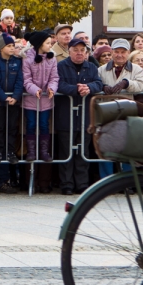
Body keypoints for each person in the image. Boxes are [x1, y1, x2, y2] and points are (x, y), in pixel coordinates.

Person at [55, 39, 103, 195]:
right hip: (66, 115)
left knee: (83, 152)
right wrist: (75, 89)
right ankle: (67, 184)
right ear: (69, 51)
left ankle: (82, 184)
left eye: (83, 50)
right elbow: (58, 84)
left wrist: (88, 87)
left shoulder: (92, 67)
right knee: (66, 152)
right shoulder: (61, 66)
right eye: (76, 50)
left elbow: (98, 83)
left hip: (85, 117)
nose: (79, 53)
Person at [0, 33, 23, 193]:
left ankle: (9, 151)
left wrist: (15, 97)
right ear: (1, 47)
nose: (12, 48)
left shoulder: (17, 62)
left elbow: (20, 81)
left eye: (13, 46)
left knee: (11, 128)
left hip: (13, 103)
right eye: (9, 46)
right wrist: (3, 97)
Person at [22, 31, 59, 166]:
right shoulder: (27, 58)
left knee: (44, 125)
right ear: (39, 44)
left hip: (46, 99)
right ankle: (31, 151)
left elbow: (54, 78)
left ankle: (44, 151)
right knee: (31, 124)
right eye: (48, 43)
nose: (51, 45)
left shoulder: (52, 58)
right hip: (31, 98)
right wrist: (34, 89)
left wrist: (51, 88)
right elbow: (26, 79)